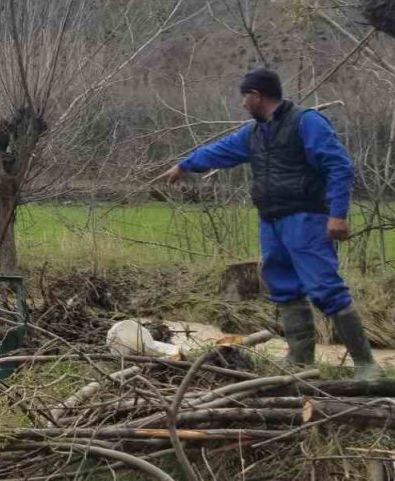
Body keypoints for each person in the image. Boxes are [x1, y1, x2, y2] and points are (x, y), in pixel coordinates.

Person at [157, 68, 378, 380]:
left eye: (245, 97)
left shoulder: (307, 122)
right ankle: (301, 359)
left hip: (307, 218)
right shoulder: (254, 133)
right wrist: (185, 165)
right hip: (271, 221)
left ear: (257, 95)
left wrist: (338, 214)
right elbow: (221, 151)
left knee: (325, 287)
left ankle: (367, 365)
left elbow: (339, 166)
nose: (243, 103)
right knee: (284, 287)